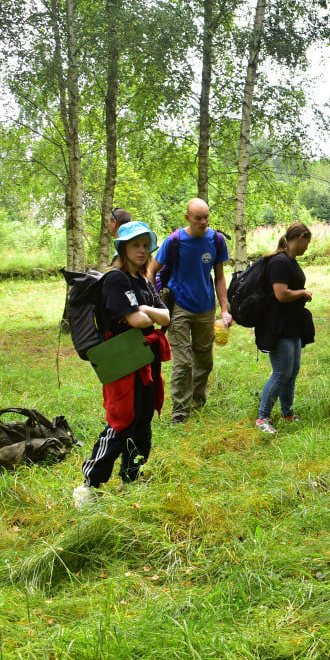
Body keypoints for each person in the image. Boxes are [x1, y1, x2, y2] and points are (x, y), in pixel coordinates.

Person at [75, 221, 172, 508]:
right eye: (135, 245)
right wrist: (145, 313)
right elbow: (138, 321)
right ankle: (89, 485)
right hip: (123, 360)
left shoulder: (144, 281)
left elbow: (165, 316)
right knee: (122, 421)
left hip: (146, 357)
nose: (142, 250)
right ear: (123, 249)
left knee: (143, 421)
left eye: (145, 245)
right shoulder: (116, 280)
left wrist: (144, 308)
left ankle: (131, 477)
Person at [147, 198, 232, 424]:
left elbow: (220, 276)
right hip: (179, 307)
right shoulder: (174, 241)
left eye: (206, 217)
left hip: (206, 307)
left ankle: (197, 403)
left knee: (204, 359)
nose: (204, 222)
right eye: (198, 218)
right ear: (188, 218)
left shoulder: (216, 240)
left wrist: (225, 309)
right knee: (183, 361)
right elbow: (151, 270)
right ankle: (180, 410)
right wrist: (153, 303)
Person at [255, 222, 315, 434]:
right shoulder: (279, 261)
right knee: (281, 373)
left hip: (292, 323)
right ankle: (262, 418)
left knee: (292, 371)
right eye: (307, 242)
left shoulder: (290, 260)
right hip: (278, 325)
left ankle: (287, 413)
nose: (307, 247)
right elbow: (281, 294)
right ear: (300, 238)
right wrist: (303, 293)